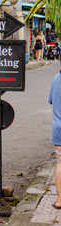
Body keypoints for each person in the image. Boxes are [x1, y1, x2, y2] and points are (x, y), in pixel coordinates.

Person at [49, 70, 61, 209]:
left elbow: (51, 100)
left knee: (60, 163)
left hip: (58, 127)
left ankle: (59, 200)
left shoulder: (56, 78)